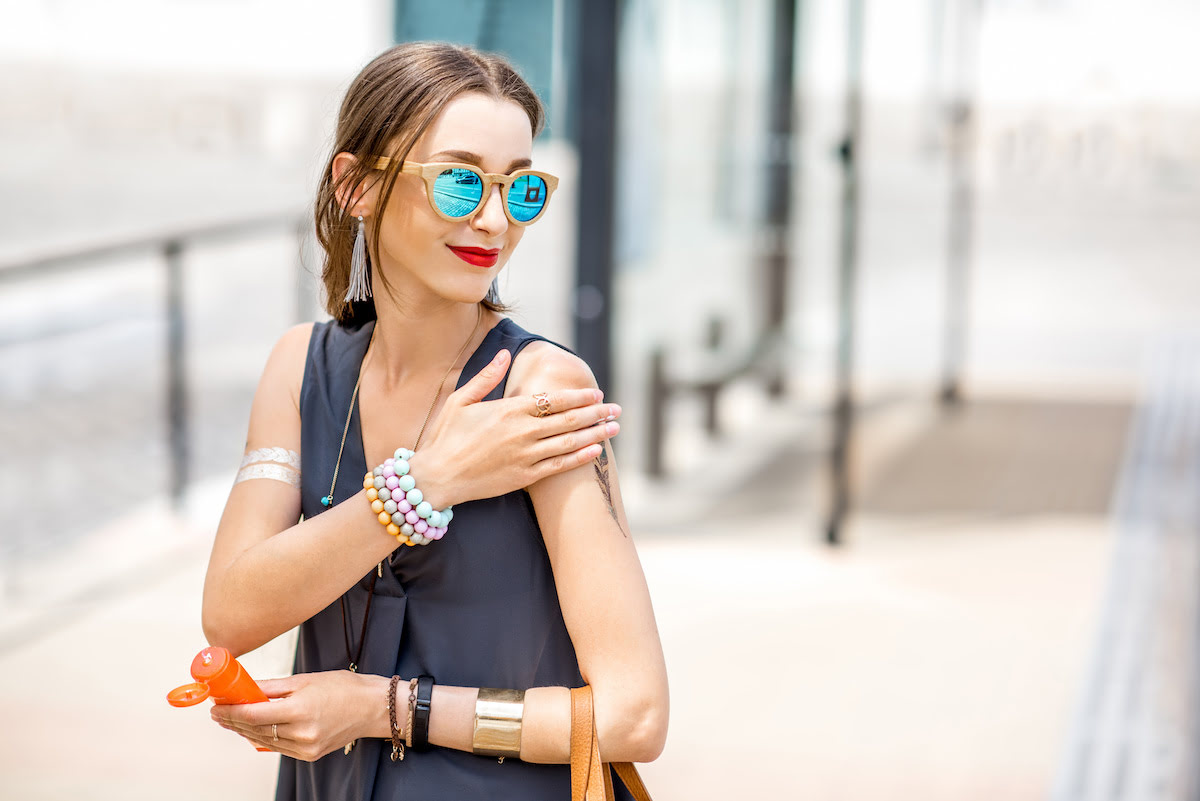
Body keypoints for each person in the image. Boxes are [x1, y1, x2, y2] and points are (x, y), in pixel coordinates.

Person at [203, 41, 669, 800]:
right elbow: (231, 614)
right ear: (355, 185)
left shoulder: (540, 390)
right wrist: (425, 483)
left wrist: (382, 707)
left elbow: (634, 714)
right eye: (459, 181)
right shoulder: (300, 368)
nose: (494, 219)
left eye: (521, 188)